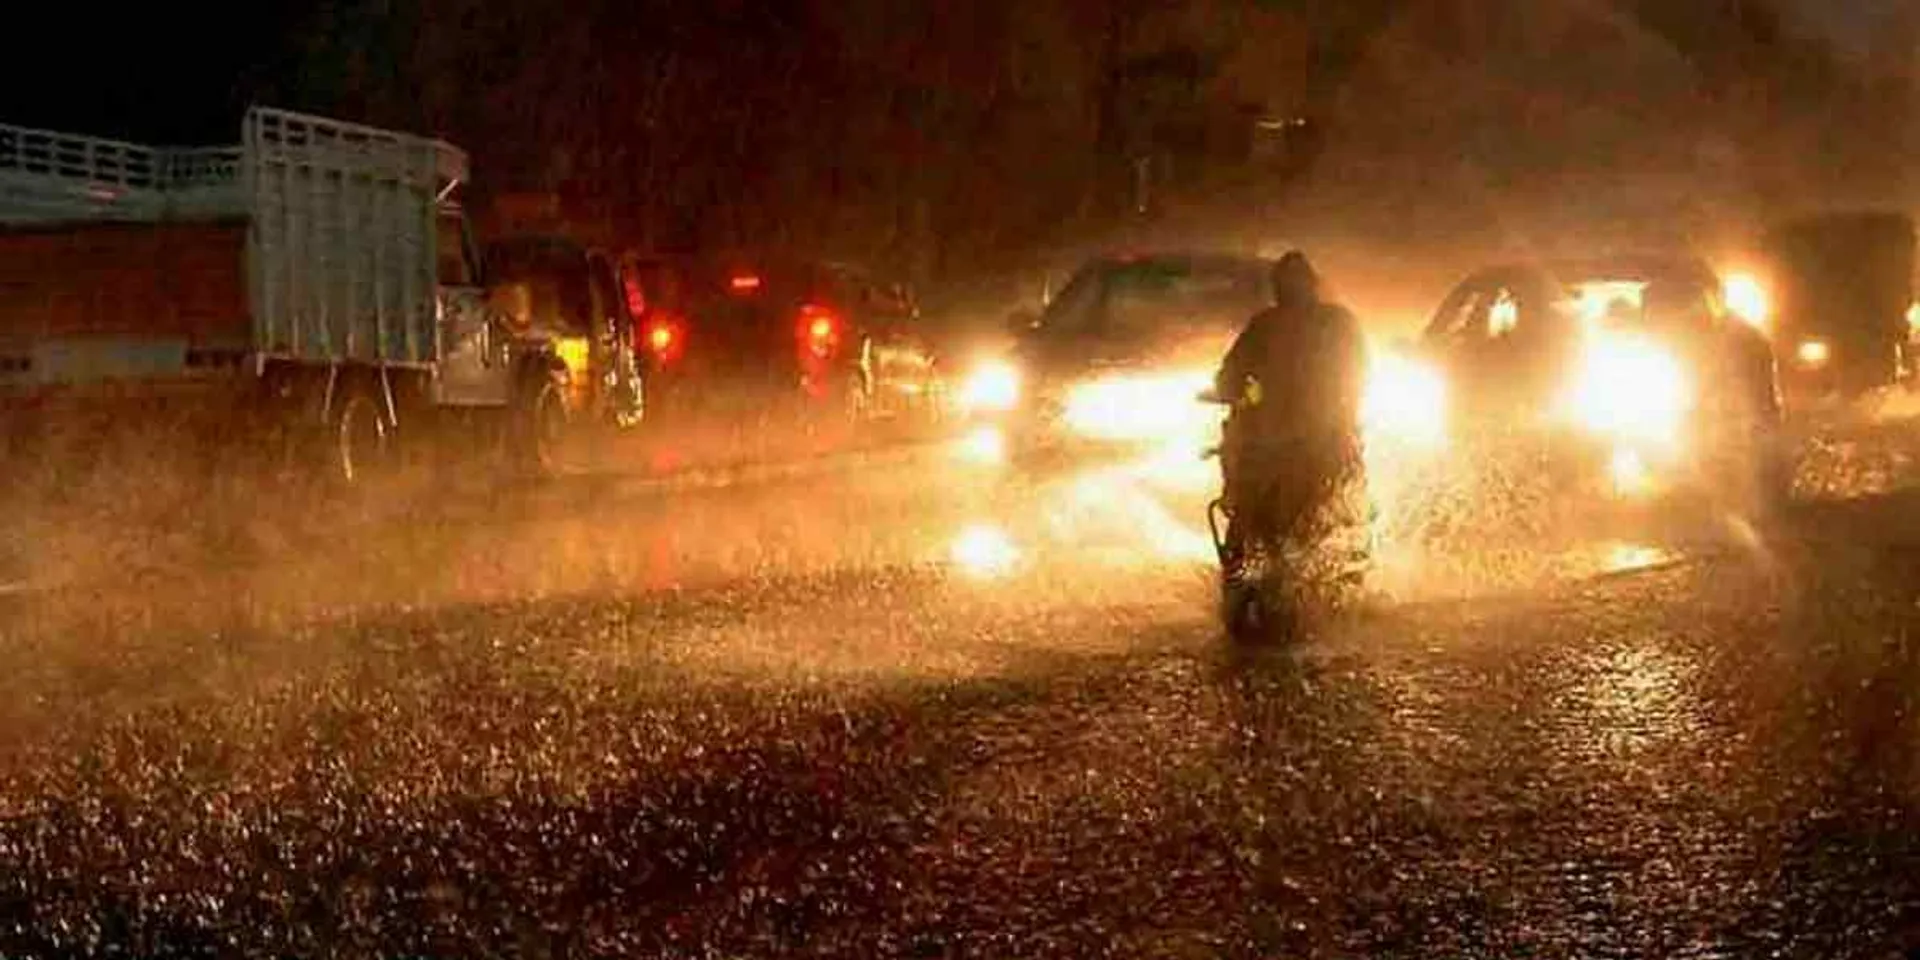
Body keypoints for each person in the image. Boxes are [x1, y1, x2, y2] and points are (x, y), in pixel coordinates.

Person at [1212, 251, 1368, 575]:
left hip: (1295, 441)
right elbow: (1359, 373)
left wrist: (1244, 396)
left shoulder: (1267, 325)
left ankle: (1238, 560)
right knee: (1347, 496)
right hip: (1319, 438)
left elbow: (1229, 378)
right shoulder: (1338, 322)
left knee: (1246, 502)